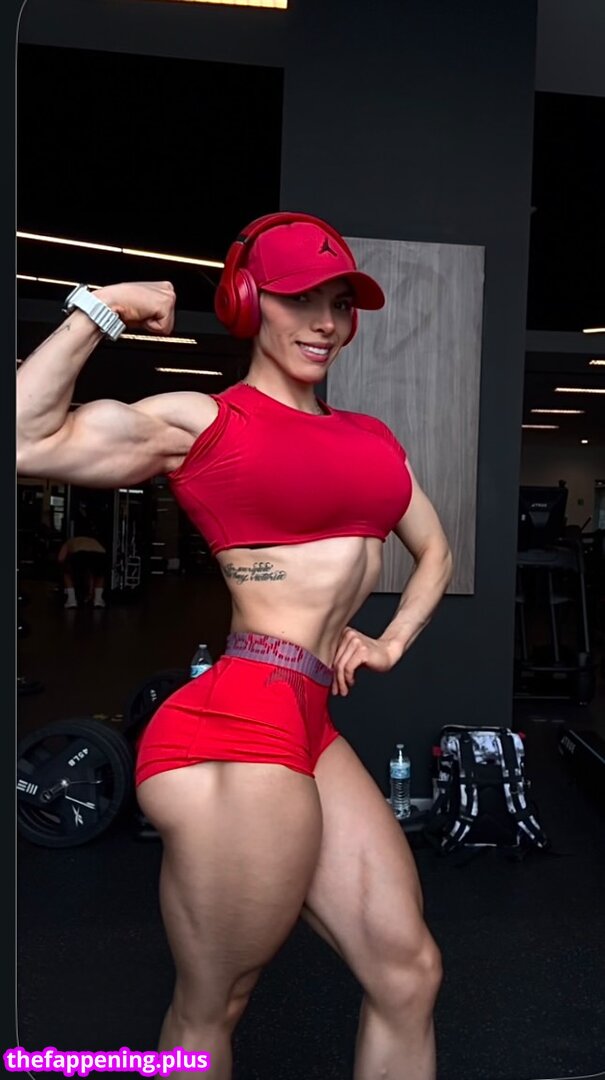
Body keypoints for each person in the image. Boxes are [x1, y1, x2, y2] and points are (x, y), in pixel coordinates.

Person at [17, 211, 453, 1080]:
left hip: (308, 719)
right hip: (236, 724)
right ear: (250, 303)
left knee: (407, 973)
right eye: (299, 300)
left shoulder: (370, 438)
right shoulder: (204, 422)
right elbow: (24, 438)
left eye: (339, 304)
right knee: (212, 1005)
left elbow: (435, 550)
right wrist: (101, 307)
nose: (323, 323)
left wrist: (392, 639)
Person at [57, 532, 107, 608]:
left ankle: (71, 600)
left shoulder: (70, 541)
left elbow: (60, 558)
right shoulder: (94, 541)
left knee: (67, 572)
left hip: (79, 553)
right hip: (100, 554)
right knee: (99, 575)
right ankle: (98, 600)